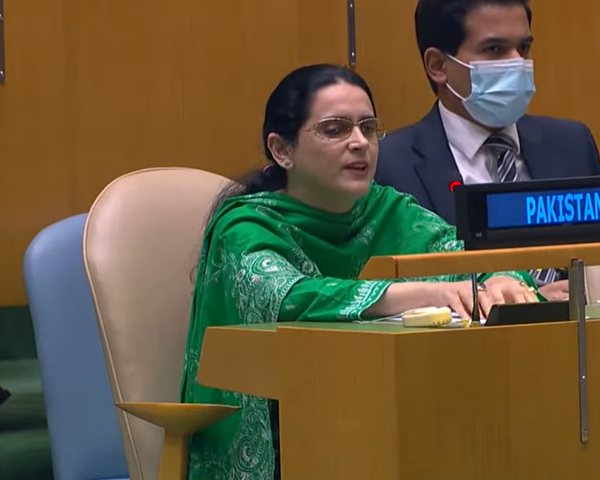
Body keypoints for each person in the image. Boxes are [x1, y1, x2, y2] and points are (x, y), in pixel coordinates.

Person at [180, 64, 542, 480]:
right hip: (284, 442)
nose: (359, 143)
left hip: (384, 426)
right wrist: (430, 293)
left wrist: (499, 279)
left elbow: (469, 261)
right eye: (335, 129)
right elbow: (290, 297)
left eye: (368, 128)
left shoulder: (388, 211)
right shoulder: (244, 227)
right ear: (282, 150)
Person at [374, 0, 600, 301]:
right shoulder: (391, 165)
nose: (518, 63)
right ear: (438, 66)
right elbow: (395, 292)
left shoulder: (572, 143)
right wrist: (528, 299)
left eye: (523, 48)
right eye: (495, 49)